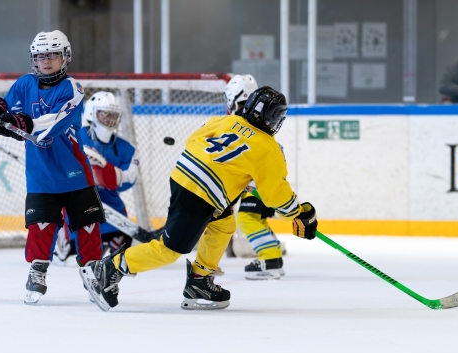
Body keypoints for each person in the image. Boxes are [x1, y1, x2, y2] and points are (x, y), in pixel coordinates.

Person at [81, 86, 318, 312]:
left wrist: (229, 171)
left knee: (224, 224)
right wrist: (300, 213)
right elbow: (275, 194)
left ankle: (200, 280)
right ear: (273, 118)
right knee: (169, 250)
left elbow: (193, 140)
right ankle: (108, 268)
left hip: (182, 176)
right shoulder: (269, 148)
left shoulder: (226, 120)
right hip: (202, 193)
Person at [0, 30, 104, 305]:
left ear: (65, 57)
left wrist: (23, 122)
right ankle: (37, 270)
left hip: (74, 174)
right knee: (40, 226)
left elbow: (54, 122)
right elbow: (8, 111)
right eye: (40, 56)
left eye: (52, 55)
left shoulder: (73, 89)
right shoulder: (25, 84)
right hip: (41, 175)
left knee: (88, 226)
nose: (45, 61)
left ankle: (93, 270)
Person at [55, 91, 141, 260]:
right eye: (105, 114)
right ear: (92, 113)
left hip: (111, 210)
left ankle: (104, 243)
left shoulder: (127, 148)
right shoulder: (72, 137)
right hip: (78, 208)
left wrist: (104, 169)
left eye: (113, 115)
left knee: (122, 259)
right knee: (74, 259)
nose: (110, 119)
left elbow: (128, 180)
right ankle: (63, 242)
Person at [224, 74, 286, 280]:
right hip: (263, 176)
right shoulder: (259, 115)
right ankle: (273, 256)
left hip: (259, 178)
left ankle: (270, 261)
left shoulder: (240, 120)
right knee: (255, 217)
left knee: (247, 217)